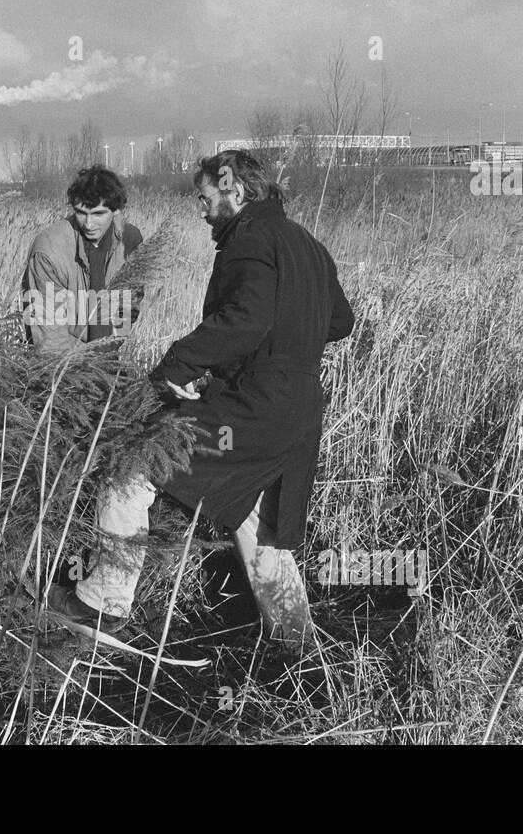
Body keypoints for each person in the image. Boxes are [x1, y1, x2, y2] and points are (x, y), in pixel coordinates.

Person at [44, 150, 354, 645]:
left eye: (206, 197)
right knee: (260, 525)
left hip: (253, 404)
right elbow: (340, 322)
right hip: (298, 411)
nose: (202, 209)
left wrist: (178, 366)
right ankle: (297, 647)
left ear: (235, 192)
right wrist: (290, 340)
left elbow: (245, 320)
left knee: (135, 462)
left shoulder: (250, 240)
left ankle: (103, 602)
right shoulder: (307, 243)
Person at [21, 165, 143, 352]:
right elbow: (50, 340)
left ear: (117, 210)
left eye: (98, 214)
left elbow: (129, 307)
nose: (88, 224)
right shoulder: (49, 251)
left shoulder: (130, 240)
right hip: (62, 366)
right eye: (81, 212)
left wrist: (110, 352)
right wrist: (87, 375)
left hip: (107, 357)